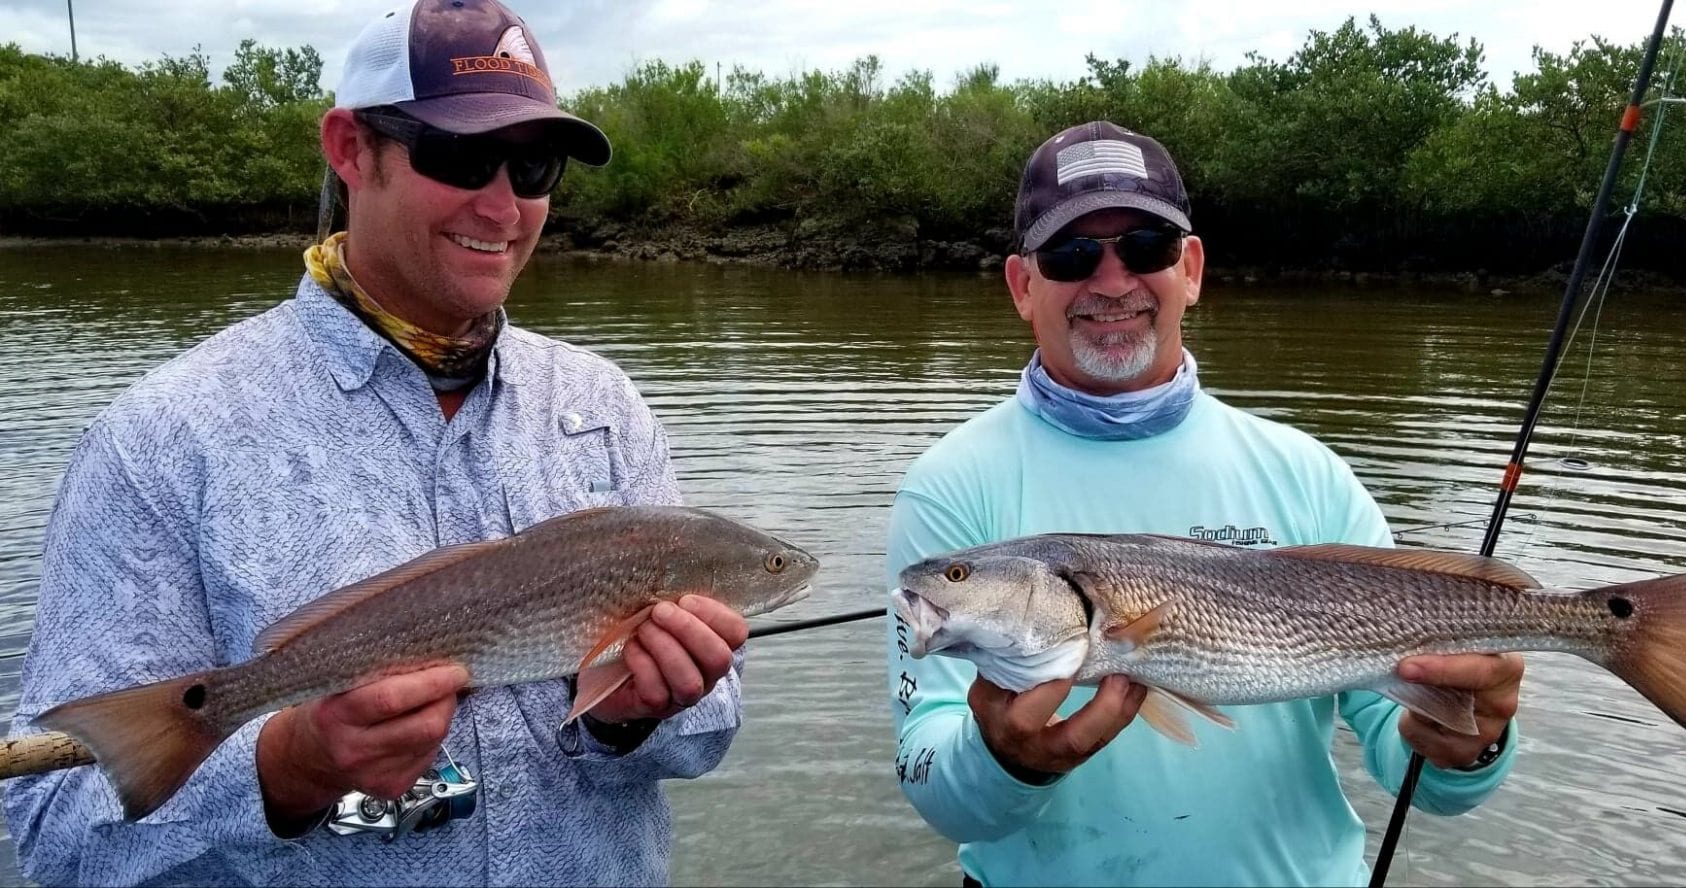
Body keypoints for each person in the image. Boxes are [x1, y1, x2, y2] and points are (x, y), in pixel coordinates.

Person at [4, 2, 749, 885]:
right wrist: (287, 770)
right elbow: (56, 829)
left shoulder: (605, 407)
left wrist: (631, 719)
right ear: (351, 149)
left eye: (533, 166)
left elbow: (705, 740)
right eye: (461, 155)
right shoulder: (160, 438)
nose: (502, 205)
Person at [882, 120, 1525, 887]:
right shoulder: (950, 485)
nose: (1111, 281)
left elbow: (1415, 763)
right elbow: (930, 776)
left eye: (1146, 247)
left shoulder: (1307, 473)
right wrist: (1002, 760)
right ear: (1023, 285)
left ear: (1189, 269)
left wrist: (1473, 743)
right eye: (1071, 254)